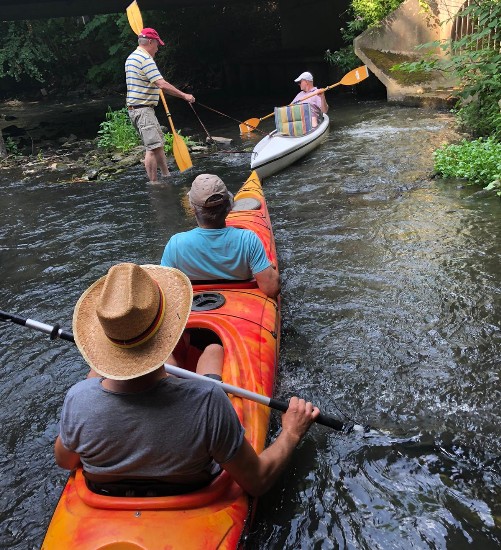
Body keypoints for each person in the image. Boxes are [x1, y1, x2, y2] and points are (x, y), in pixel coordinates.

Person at [54, 262, 319, 497]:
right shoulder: (209, 401)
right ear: (169, 330)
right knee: (212, 350)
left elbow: (66, 461)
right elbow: (257, 481)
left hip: (105, 496)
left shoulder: (79, 398)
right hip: (195, 490)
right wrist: (291, 432)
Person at [160, 174, 281, 299]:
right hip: (242, 302)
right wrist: (268, 268)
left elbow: (164, 291)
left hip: (196, 303)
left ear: (193, 208)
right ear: (229, 207)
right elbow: (272, 289)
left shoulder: (175, 244)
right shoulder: (248, 239)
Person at [125, 27, 195, 183]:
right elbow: (162, 84)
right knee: (151, 148)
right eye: (157, 44)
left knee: (158, 144)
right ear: (150, 42)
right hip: (143, 110)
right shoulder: (145, 59)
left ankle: (166, 175)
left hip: (138, 110)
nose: (157, 48)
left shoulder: (132, 57)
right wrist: (184, 96)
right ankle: (154, 184)